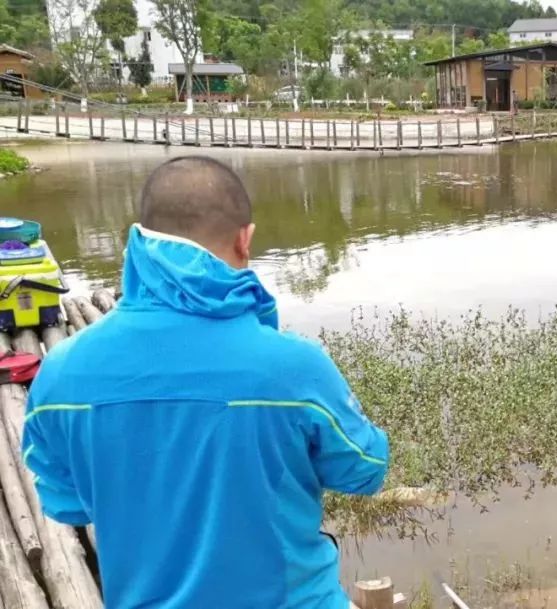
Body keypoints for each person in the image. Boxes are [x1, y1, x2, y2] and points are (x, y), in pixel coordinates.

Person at [22, 156, 390, 609]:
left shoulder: (60, 375)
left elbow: (66, 503)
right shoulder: (294, 367)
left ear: (138, 239)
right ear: (245, 238)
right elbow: (365, 469)